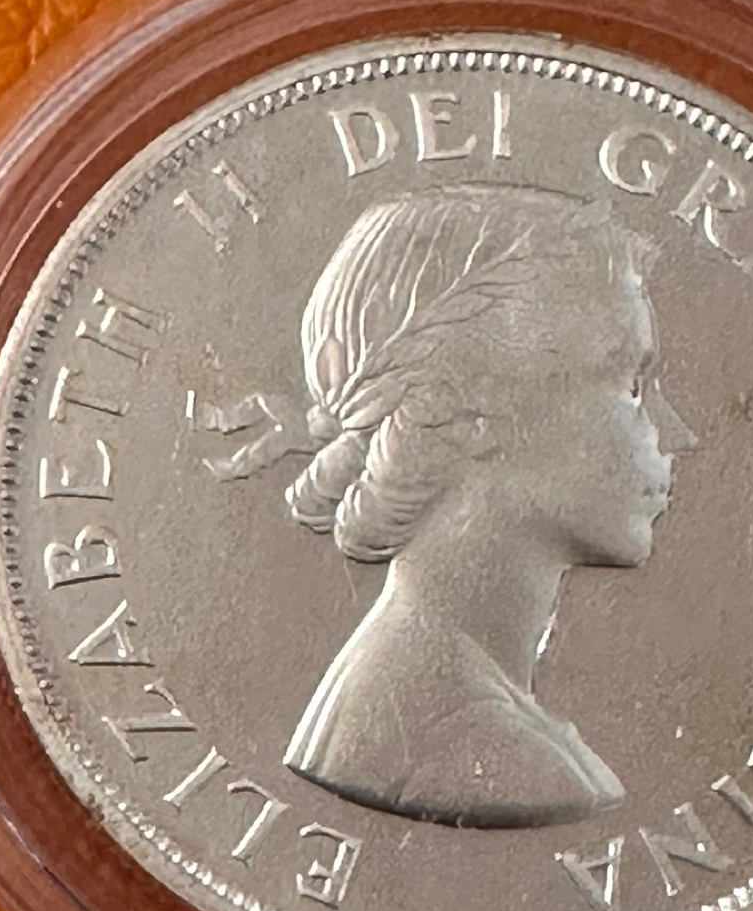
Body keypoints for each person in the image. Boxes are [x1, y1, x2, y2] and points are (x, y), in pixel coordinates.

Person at [283, 183, 693, 828]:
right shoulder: (478, 746)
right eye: (628, 382)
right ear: (468, 410)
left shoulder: (418, 688)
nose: (678, 434)